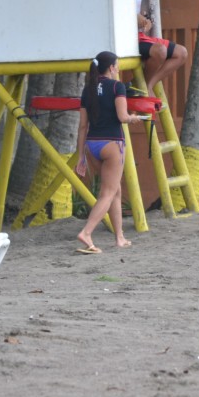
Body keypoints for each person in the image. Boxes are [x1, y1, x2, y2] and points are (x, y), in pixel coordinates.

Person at [74, 51, 142, 254]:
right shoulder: (117, 86)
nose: (119, 68)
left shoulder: (88, 90)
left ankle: (119, 237)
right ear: (111, 67)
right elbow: (122, 117)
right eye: (118, 65)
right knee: (108, 192)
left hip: (92, 145)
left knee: (115, 190)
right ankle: (86, 233)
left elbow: (82, 126)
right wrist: (133, 118)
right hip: (112, 144)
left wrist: (80, 157)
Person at [130, 0, 188, 95]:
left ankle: (146, 84)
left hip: (140, 36)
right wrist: (134, 17)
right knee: (160, 51)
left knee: (182, 53)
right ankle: (145, 87)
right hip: (128, 39)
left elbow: (137, 16)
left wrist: (145, 21)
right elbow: (117, 11)